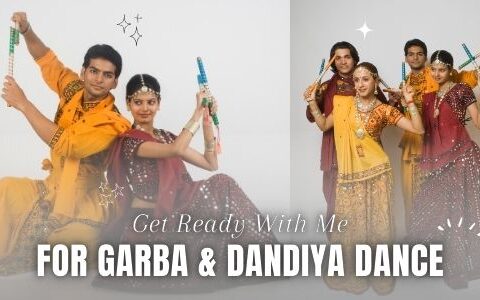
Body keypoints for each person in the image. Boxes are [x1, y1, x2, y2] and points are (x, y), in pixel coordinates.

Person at [94, 74, 277, 291]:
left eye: (151, 102)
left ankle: (265, 258)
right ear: (128, 104)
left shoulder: (167, 136)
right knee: (221, 186)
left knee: (222, 182)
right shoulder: (130, 141)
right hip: (148, 224)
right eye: (138, 102)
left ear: (159, 104)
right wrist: (197, 112)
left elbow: (210, 163)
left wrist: (207, 119)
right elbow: (176, 150)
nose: (145, 108)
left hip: (174, 211)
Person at [0, 12, 130, 274]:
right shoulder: (73, 88)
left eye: (107, 75)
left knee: (62, 247)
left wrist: (23, 104)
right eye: (93, 71)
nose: (98, 79)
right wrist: (26, 30)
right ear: (83, 71)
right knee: (5, 190)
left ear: (115, 81)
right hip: (51, 185)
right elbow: (45, 59)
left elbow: (68, 144)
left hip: (85, 196)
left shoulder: (113, 121)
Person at [306, 62, 424, 294]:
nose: (359, 84)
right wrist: (312, 101)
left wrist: (409, 100)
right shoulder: (342, 104)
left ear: (375, 81)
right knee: (351, 224)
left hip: (378, 172)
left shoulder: (384, 109)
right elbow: (323, 125)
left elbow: (418, 129)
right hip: (349, 174)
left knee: (378, 224)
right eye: (356, 80)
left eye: (365, 79)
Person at [408, 50, 480, 289]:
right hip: (438, 160)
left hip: (462, 157)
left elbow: (477, 121)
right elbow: (422, 128)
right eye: (434, 70)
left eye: (442, 70)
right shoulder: (428, 97)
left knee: (460, 209)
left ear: (450, 70)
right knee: (433, 209)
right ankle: (442, 263)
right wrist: (407, 100)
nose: (437, 74)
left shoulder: (462, 90)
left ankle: (462, 267)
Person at [387, 39, 478, 225]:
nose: (415, 57)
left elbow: (473, 113)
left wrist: (475, 73)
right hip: (423, 151)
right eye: (411, 54)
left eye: (420, 53)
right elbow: (410, 121)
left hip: (451, 150)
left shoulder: (450, 82)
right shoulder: (414, 90)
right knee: (423, 200)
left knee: (454, 202)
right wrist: (401, 101)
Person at [303, 41, 358, 222]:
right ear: (332, 63)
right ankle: (336, 243)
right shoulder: (325, 86)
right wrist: (315, 97)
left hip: (360, 147)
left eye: (347, 57)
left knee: (359, 197)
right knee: (333, 196)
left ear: (354, 59)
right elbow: (312, 117)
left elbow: (383, 110)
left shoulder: (365, 81)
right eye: (338, 58)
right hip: (334, 147)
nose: (343, 62)